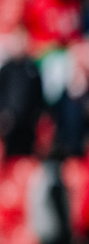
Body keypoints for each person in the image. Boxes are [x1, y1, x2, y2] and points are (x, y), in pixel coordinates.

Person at [0, 26, 45, 157]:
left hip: (28, 123)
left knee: (26, 155)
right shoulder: (6, 70)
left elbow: (38, 95)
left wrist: (37, 116)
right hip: (8, 122)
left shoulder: (32, 69)